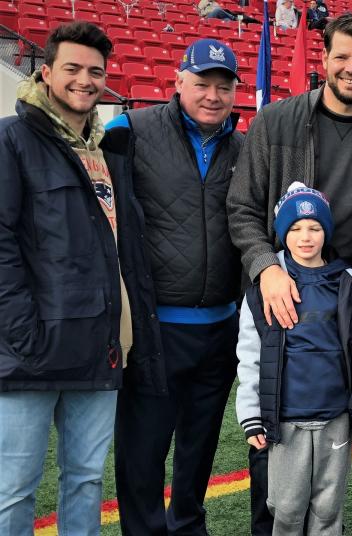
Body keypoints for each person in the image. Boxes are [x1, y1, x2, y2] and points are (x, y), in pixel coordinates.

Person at [227, 15, 352, 533]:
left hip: (346, 307)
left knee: (330, 487)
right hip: (283, 301)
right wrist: (266, 267)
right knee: (276, 479)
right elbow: (241, 209)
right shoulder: (275, 123)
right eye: (342, 57)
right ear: (323, 59)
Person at [0, 21, 160, 535]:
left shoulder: (107, 150)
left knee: (87, 481)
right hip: (32, 350)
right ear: (45, 72)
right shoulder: (12, 139)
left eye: (95, 71)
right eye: (72, 68)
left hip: (99, 345)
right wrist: (23, 332)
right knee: (14, 488)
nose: (85, 80)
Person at [105, 37, 246, 536]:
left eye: (223, 86)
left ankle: (188, 524)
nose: (212, 95)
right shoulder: (131, 131)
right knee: (143, 449)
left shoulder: (245, 147)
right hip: (153, 327)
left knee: (200, 443)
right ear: (178, 82)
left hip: (221, 329)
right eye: (202, 83)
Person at [235, 183, 352, 536]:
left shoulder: (351, 284)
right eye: (296, 228)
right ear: (282, 232)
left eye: (315, 227)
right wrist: (251, 415)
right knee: (285, 509)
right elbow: (250, 356)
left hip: (336, 419)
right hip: (286, 423)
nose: (306, 237)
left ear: (326, 232)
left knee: (328, 508)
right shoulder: (263, 291)